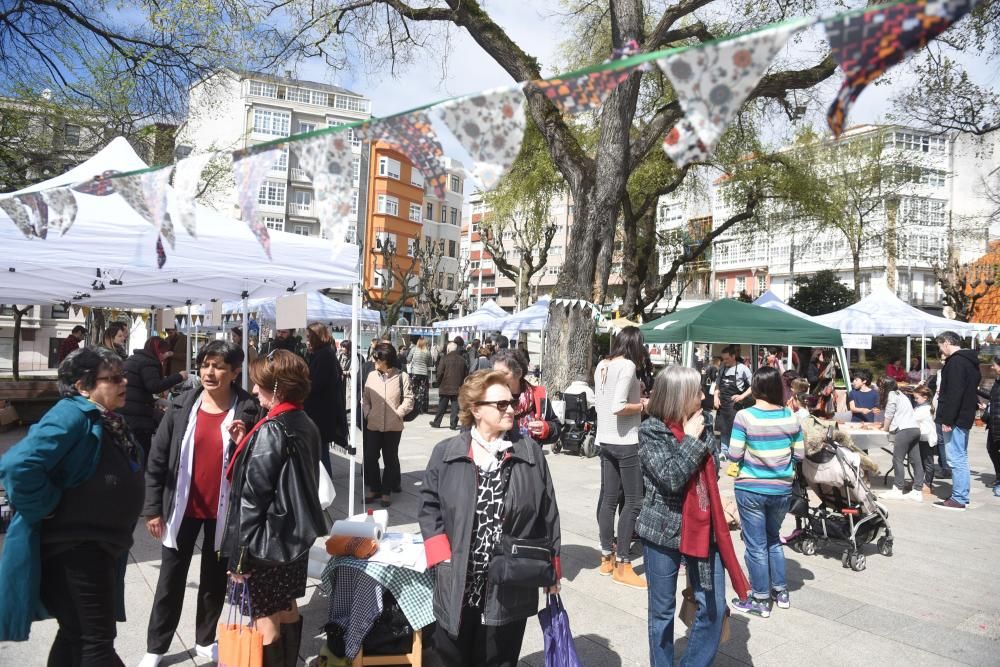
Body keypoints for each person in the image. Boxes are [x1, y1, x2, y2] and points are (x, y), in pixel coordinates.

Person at [0, 347, 144, 662]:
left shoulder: (104, 417)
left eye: (124, 377)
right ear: (82, 386)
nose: (124, 383)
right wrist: (44, 504)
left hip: (96, 547)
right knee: (97, 641)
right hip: (75, 549)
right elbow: (17, 465)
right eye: (113, 378)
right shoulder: (73, 412)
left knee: (76, 637)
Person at [419, 370, 561, 666]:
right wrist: (440, 553)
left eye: (511, 403)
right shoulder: (446, 453)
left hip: (510, 582)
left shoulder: (530, 453)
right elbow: (429, 504)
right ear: (475, 409)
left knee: (499, 658)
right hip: (459, 577)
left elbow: (548, 513)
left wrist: (552, 570)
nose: (511, 409)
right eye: (501, 405)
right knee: (449, 657)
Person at [139, 341, 258, 667]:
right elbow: (158, 458)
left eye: (219, 366)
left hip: (222, 511)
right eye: (205, 364)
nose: (209, 372)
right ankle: (156, 646)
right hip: (182, 508)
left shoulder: (249, 410)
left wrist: (241, 443)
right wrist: (152, 508)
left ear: (235, 372)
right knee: (169, 581)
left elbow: (256, 465)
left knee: (214, 580)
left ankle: (205, 639)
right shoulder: (181, 405)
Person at [638, 366, 750, 667]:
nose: (703, 396)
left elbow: (711, 468)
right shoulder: (651, 431)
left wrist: (697, 436)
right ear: (679, 396)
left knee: (713, 608)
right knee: (661, 613)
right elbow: (671, 478)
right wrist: (689, 439)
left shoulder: (703, 423)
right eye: (697, 391)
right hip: (662, 531)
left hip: (704, 530)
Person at [222, 350, 327, 665]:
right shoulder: (303, 420)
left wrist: (240, 558)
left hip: (265, 542)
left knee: (263, 618)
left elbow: (254, 497)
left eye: (260, 385)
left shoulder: (272, 428)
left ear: (278, 388)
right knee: (287, 607)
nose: (254, 390)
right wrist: (247, 443)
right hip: (293, 539)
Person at [728, 365, 804, 618]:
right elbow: (801, 454)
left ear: (757, 388)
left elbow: (734, 453)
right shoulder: (791, 416)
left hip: (750, 487)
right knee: (773, 539)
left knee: (755, 544)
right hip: (781, 488)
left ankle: (760, 598)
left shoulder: (745, 416)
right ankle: (780, 591)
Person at [593, 326, 648, 588]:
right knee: (634, 500)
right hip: (626, 441)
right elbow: (618, 407)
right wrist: (644, 404)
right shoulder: (627, 366)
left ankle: (607, 556)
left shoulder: (602, 364)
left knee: (609, 499)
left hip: (605, 438)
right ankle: (623, 563)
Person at [362, 342, 415, 506]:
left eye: (378, 358)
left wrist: (398, 413)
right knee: (370, 458)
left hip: (393, 426)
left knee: (390, 459)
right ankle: (375, 488)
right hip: (373, 424)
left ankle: (386, 491)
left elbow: (409, 399)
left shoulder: (402, 377)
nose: (375, 361)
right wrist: (367, 412)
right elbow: (366, 398)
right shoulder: (371, 375)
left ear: (387, 359)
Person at [933, 331, 981, 511]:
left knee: (956, 458)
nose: (940, 349)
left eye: (940, 345)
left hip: (956, 417)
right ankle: (962, 494)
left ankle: (959, 498)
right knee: (961, 456)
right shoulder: (970, 361)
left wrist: (947, 419)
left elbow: (954, 392)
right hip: (965, 415)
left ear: (946, 343)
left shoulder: (955, 362)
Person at [120, 336, 188, 457]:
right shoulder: (149, 362)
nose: (164, 356)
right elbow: (154, 386)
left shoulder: (134, 358)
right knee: (142, 452)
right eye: (163, 353)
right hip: (137, 414)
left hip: (125, 409)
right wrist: (178, 376)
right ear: (157, 351)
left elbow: (139, 386)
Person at [304, 323, 348, 474]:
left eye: (310, 336)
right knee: (319, 452)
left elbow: (317, 384)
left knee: (321, 453)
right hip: (319, 412)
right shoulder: (321, 353)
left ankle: (325, 488)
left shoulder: (324, 355)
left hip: (321, 414)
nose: (307, 340)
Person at [492, 349, 561, 445]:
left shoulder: (538, 395)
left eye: (503, 373)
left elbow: (556, 427)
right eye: (494, 374)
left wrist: (546, 428)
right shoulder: (488, 398)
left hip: (530, 457)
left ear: (518, 373)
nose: (497, 378)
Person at [877, 377, 924, 502]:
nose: (879, 389)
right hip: (914, 429)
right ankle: (917, 491)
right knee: (915, 461)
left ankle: (898, 489)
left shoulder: (892, 395)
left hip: (904, 430)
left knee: (897, 459)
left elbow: (889, 414)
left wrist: (885, 428)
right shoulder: (901, 394)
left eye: (880, 386)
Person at [713, 345, 752, 460]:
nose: (724, 361)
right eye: (723, 359)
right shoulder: (722, 368)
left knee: (736, 429)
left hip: (735, 405)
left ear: (733, 356)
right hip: (723, 403)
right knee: (723, 428)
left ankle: (735, 453)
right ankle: (724, 452)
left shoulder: (743, 369)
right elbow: (717, 385)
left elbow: (753, 386)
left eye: (727, 359)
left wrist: (742, 396)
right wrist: (716, 396)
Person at [431, 342, 467, 430]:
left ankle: (437, 422)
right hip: (457, 387)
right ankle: (453, 424)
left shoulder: (444, 358)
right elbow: (466, 374)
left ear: (448, 349)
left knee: (442, 406)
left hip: (445, 386)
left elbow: (439, 372)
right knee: (455, 407)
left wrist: (438, 382)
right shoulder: (462, 360)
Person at [978, 356, 1000, 497]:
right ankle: (998, 477)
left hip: (998, 422)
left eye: (994, 365)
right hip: (994, 423)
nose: (992, 367)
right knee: (991, 449)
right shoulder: (997, 382)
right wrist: (977, 390)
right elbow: (993, 398)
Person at [912, 385, 938, 498]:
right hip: (920, 437)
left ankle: (928, 484)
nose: (915, 400)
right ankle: (919, 482)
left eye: (917, 398)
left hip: (926, 438)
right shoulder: (921, 407)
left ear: (925, 397)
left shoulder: (925, 409)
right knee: (920, 462)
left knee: (927, 462)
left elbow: (912, 418)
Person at [408, 338, 433, 414]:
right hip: (424, 373)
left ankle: (413, 407)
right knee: (424, 392)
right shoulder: (427, 352)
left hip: (415, 372)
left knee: (414, 391)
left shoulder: (413, 349)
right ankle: (423, 408)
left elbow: (408, 359)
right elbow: (430, 363)